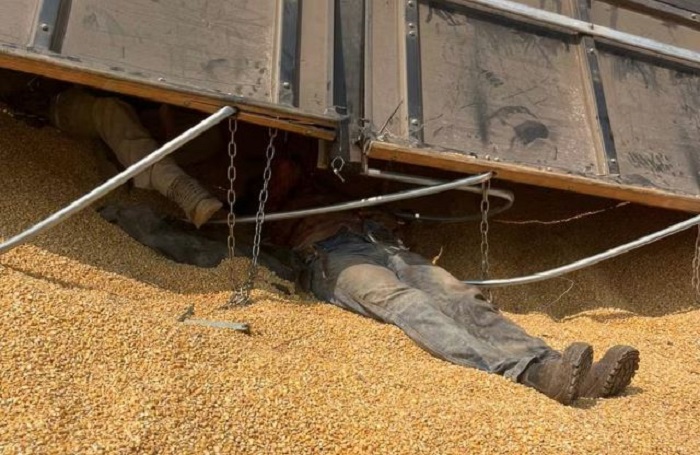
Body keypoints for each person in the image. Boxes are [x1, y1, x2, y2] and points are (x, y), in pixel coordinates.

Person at [267, 174, 640, 406]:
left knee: (460, 296)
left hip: (385, 244)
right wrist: (291, 170)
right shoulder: (271, 192)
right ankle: (525, 373)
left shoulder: (339, 181)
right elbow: (267, 216)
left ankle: (557, 365)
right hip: (332, 254)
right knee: (408, 303)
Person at [2, 78, 223, 227]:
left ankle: (133, 158)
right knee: (110, 111)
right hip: (63, 99)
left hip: (130, 106)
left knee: (208, 137)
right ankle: (178, 187)